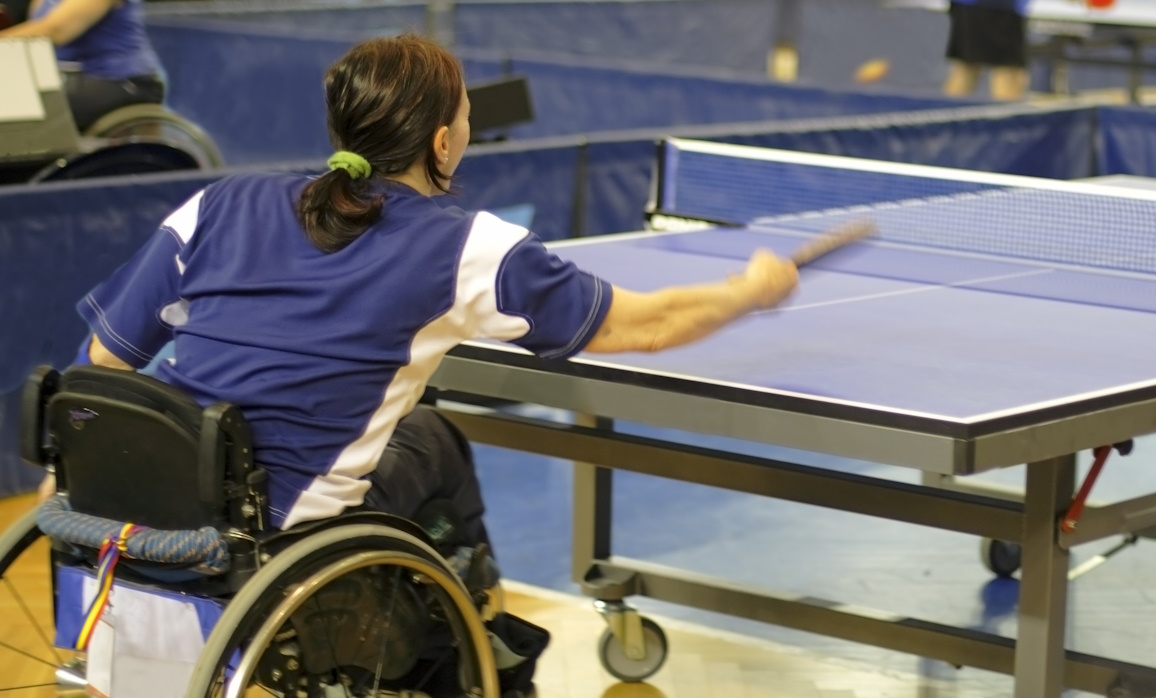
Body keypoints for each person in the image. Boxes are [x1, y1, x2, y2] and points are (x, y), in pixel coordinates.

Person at [38, 32, 796, 579]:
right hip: (271, 537)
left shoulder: (220, 201)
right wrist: (749, 291)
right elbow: (649, 326)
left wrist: (79, 464)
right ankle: (464, 651)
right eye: (463, 116)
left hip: (147, 499)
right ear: (441, 143)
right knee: (433, 439)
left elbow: (103, 364)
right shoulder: (468, 250)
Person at [0, 0, 165, 132]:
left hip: (122, 81)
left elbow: (56, 30)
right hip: (70, 78)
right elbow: (34, 28)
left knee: (32, 105)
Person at [942, 0, 1031, 101]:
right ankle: (1007, 115)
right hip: (996, 6)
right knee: (1008, 70)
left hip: (981, 6)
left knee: (967, 67)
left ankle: (949, 113)